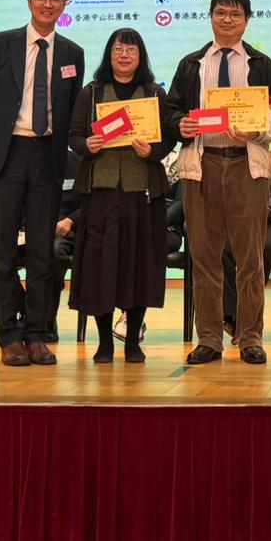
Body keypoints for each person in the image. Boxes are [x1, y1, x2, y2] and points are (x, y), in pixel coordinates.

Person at [161, 0, 271, 366]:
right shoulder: (191, 64)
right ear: (211, 17)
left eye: (235, 14)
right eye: (220, 13)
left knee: (250, 258)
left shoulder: (261, 65)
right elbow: (171, 110)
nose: (227, 20)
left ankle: (250, 337)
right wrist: (179, 124)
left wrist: (256, 129)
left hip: (247, 165)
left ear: (247, 20)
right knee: (203, 257)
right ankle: (209, 338)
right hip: (203, 165)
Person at [0, 0, 85, 366]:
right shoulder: (0, 42)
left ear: (65, 4)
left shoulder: (72, 52)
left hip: (48, 156)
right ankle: (9, 335)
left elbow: (72, 108)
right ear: (29, 1)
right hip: (8, 155)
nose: (47, 5)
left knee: (41, 251)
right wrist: (0, 139)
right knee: (3, 250)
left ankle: (37, 333)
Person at [67, 28, 177, 363]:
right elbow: (74, 135)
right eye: (118, 49)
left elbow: (169, 138)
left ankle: (132, 342)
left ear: (141, 56)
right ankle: (104, 343)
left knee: (138, 266)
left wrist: (152, 152)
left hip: (142, 194)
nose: (124, 55)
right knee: (100, 267)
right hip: (101, 194)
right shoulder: (92, 92)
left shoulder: (154, 93)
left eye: (131, 49)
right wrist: (87, 145)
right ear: (109, 54)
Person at [222, 160, 271, 341]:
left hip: (267, 221)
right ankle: (233, 314)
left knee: (267, 247)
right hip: (233, 223)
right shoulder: (229, 164)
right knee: (221, 249)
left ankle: (247, 311)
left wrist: (257, 211)